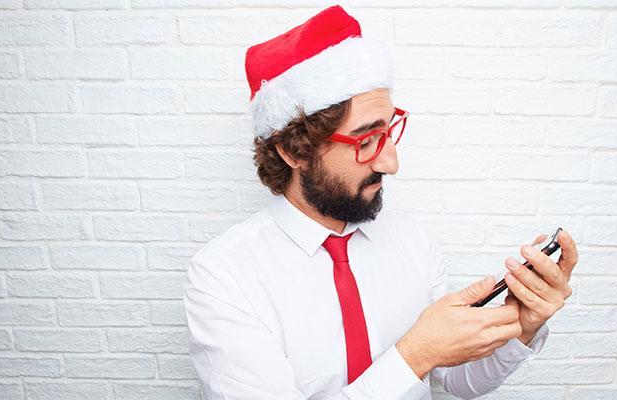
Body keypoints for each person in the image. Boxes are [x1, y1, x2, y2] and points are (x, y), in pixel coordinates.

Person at [184, 5, 577, 399]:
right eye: (365, 140)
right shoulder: (223, 278)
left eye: (388, 131)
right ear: (293, 150)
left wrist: (520, 326)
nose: (391, 162)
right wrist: (415, 354)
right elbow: (420, 360)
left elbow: (456, 381)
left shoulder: (412, 241)